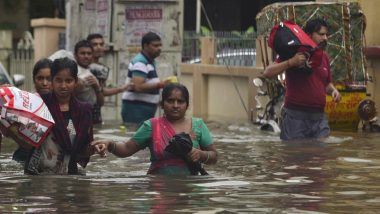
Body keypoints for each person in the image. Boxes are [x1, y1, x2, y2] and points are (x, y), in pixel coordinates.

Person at [92, 83, 217, 175]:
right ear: (162, 104)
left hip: (190, 191)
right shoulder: (151, 126)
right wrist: (109, 144)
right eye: (170, 101)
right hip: (158, 190)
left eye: (180, 101)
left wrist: (201, 154)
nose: (175, 105)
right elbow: (126, 149)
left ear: (187, 105)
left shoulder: (198, 125)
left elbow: (214, 156)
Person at [263, 18, 341, 140]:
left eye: (326, 35)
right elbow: (267, 72)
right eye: (321, 34)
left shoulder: (324, 57)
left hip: (319, 118)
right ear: (309, 35)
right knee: (296, 155)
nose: (325, 38)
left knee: (321, 155)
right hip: (295, 118)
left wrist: (334, 91)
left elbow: (325, 84)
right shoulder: (294, 53)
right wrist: (291, 62)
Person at [24, 57, 94, 174]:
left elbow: (82, 148)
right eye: (58, 80)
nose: (63, 86)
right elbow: (27, 140)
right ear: (52, 80)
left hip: (69, 173)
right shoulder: (40, 104)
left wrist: (96, 148)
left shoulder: (83, 111)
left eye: (68, 81)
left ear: (75, 81)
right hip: (38, 174)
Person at [2, 58, 53, 163]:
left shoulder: (64, 105)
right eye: (40, 78)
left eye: (49, 79)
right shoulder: (23, 101)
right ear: (34, 80)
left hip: (52, 160)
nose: (44, 83)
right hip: (25, 156)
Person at [121, 32, 169, 127]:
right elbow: (138, 87)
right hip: (136, 109)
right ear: (145, 46)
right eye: (155, 45)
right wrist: (160, 85)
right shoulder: (140, 62)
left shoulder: (149, 61)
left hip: (142, 109)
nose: (159, 48)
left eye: (160, 45)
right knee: (135, 137)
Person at [86, 33, 130, 124]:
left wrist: (121, 89)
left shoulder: (102, 69)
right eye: (95, 44)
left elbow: (102, 91)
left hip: (95, 112)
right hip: (80, 110)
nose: (99, 47)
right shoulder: (83, 67)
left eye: (101, 44)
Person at [74, 40, 104, 124]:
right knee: (72, 136)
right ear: (76, 55)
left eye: (89, 53)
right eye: (83, 53)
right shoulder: (72, 71)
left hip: (91, 116)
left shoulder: (95, 71)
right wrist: (78, 87)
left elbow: (101, 103)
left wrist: (97, 87)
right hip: (75, 116)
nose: (86, 56)